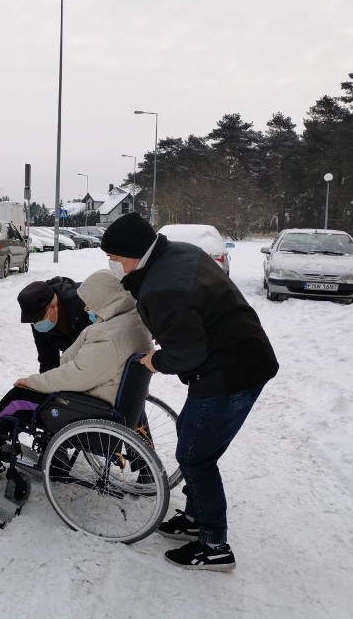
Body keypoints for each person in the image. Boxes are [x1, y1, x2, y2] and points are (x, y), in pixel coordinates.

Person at [100, 212, 278, 572]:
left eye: (116, 258)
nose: (113, 265)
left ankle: (214, 546)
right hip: (239, 357)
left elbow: (187, 354)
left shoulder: (166, 287)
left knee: (196, 456)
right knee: (192, 438)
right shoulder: (177, 253)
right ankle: (196, 517)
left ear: (135, 253)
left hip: (230, 372)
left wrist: (156, 361)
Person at [0, 270, 152, 458]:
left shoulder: (89, 310)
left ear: (54, 304)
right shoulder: (126, 319)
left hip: (92, 397)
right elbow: (50, 361)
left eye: (38, 320)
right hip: (103, 386)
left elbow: (81, 372)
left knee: (17, 399)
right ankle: (11, 442)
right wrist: (42, 385)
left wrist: (36, 384)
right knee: (34, 391)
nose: (36, 325)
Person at [17, 276, 90, 372]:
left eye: (38, 319)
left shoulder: (83, 300)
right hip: (71, 356)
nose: (36, 325)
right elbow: (47, 359)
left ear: (53, 306)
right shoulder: (37, 313)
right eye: (33, 321)